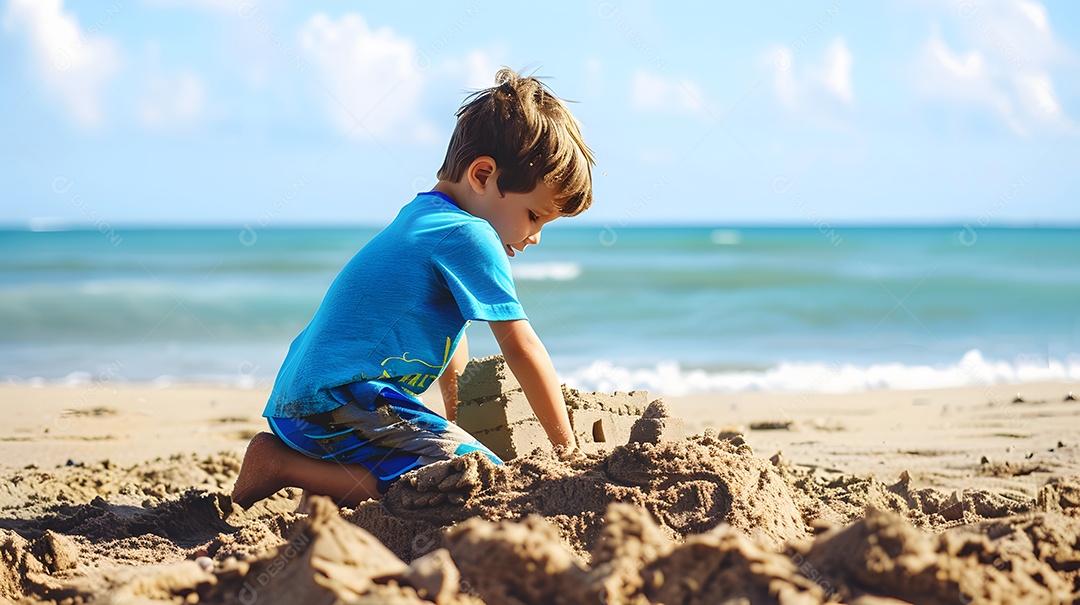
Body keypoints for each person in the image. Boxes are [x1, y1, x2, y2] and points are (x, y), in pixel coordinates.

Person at [231, 68, 595, 509]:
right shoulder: (469, 234)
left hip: (304, 400)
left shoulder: (423, 215)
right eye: (534, 216)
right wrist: (567, 451)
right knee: (473, 477)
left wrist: (453, 421)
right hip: (337, 403)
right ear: (483, 175)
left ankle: (316, 485)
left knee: (440, 460)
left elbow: (448, 339)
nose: (534, 236)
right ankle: (281, 467)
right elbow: (522, 346)